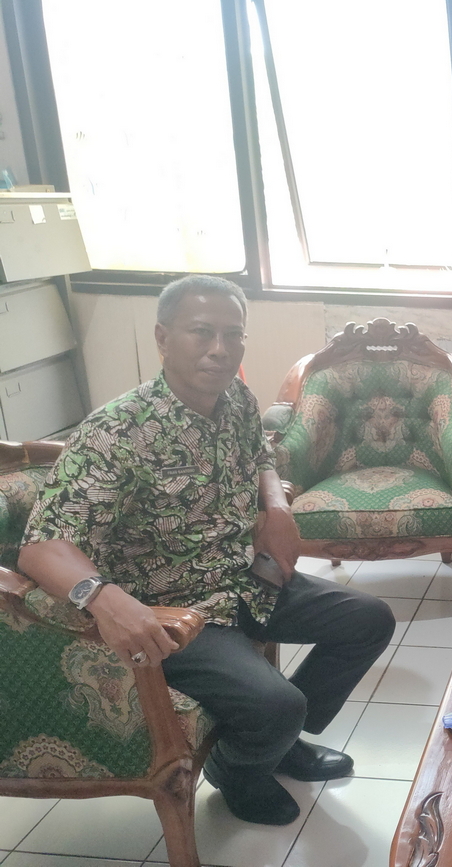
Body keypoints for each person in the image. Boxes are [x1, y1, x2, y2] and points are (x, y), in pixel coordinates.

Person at [18, 275, 396, 826]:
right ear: (163, 338)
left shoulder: (236, 399)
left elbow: (261, 458)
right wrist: (102, 597)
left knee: (368, 620)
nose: (220, 349)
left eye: (233, 334)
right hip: (173, 610)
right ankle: (237, 770)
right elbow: (41, 546)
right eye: (201, 332)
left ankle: (281, 741)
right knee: (276, 704)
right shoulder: (115, 432)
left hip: (243, 576)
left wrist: (277, 508)